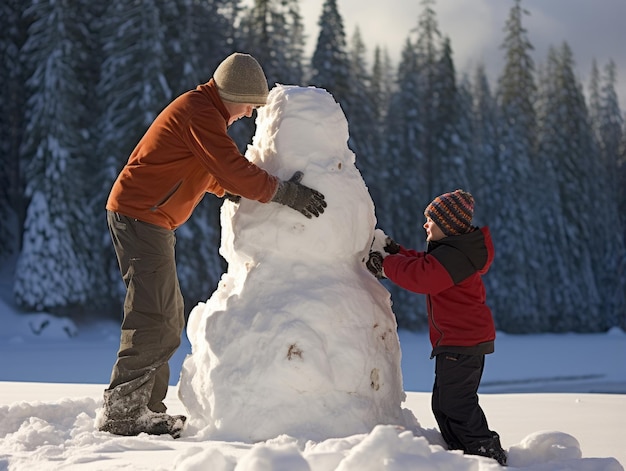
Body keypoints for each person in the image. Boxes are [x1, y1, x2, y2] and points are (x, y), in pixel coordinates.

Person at [97, 52, 327, 438]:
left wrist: (232, 192)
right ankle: (124, 412)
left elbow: (206, 170)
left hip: (148, 218)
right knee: (154, 315)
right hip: (140, 216)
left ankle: (145, 408)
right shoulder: (200, 113)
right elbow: (230, 167)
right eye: (250, 106)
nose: (250, 115)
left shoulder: (205, 113)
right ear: (234, 94)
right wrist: (285, 194)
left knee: (166, 314)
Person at [365, 189, 507, 466]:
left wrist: (386, 265)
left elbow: (423, 277)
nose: (425, 225)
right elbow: (423, 263)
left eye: (431, 220)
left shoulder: (456, 258)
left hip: (463, 343)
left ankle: (487, 453)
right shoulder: (454, 253)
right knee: (444, 403)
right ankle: (463, 454)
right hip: (460, 342)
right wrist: (397, 253)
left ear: (448, 226)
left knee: (456, 404)